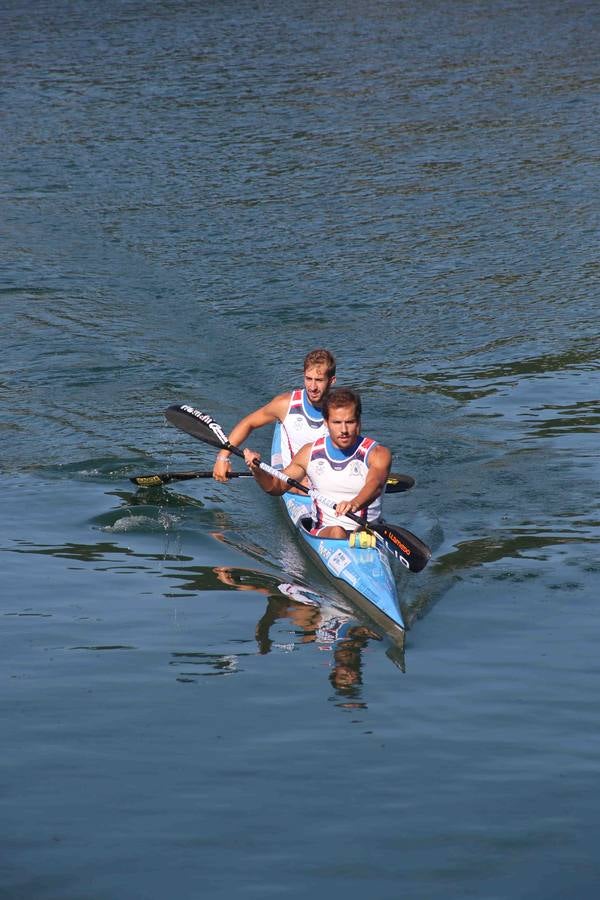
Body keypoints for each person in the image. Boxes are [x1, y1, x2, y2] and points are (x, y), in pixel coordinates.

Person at [243, 386, 391, 540]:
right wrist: (257, 470)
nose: (344, 430)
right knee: (337, 532)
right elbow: (276, 487)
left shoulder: (378, 454)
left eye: (350, 422)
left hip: (368, 532)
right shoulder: (309, 454)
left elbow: (375, 485)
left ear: (359, 421)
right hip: (326, 532)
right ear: (326, 423)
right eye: (337, 422)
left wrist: (355, 503)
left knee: (361, 530)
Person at [212, 348, 337, 482]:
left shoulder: (343, 412)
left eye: (319, 380)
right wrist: (222, 457)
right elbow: (249, 423)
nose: (312, 387)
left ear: (331, 381)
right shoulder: (285, 404)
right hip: (290, 479)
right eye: (308, 379)